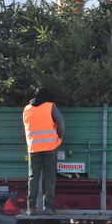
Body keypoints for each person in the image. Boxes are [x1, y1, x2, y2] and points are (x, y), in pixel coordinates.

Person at [23, 87, 64, 215]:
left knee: (33, 177)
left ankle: (31, 207)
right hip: (50, 147)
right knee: (50, 177)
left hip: (33, 148)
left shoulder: (27, 109)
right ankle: (49, 207)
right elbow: (61, 122)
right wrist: (59, 137)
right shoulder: (50, 107)